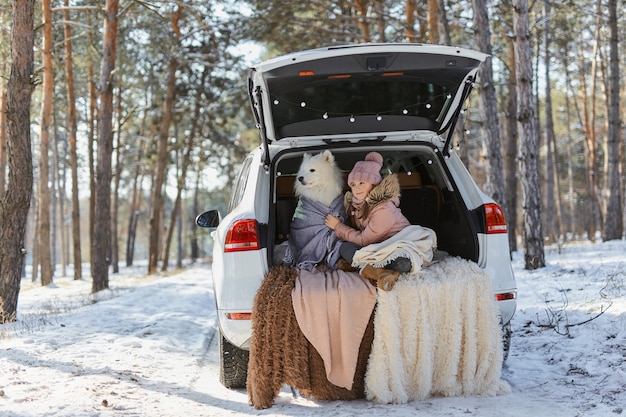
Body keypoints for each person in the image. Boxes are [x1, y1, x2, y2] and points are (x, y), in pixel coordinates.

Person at [325, 152, 412, 290]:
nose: (356, 188)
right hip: (377, 248)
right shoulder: (357, 205)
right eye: (353, 184)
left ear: (374, 183)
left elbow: (365, 240)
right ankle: (381, 273)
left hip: (396, 248)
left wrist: (338, 227)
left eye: (362, 183)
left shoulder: (384, 209)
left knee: (403, 263)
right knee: (345, 248)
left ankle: (376, 271)